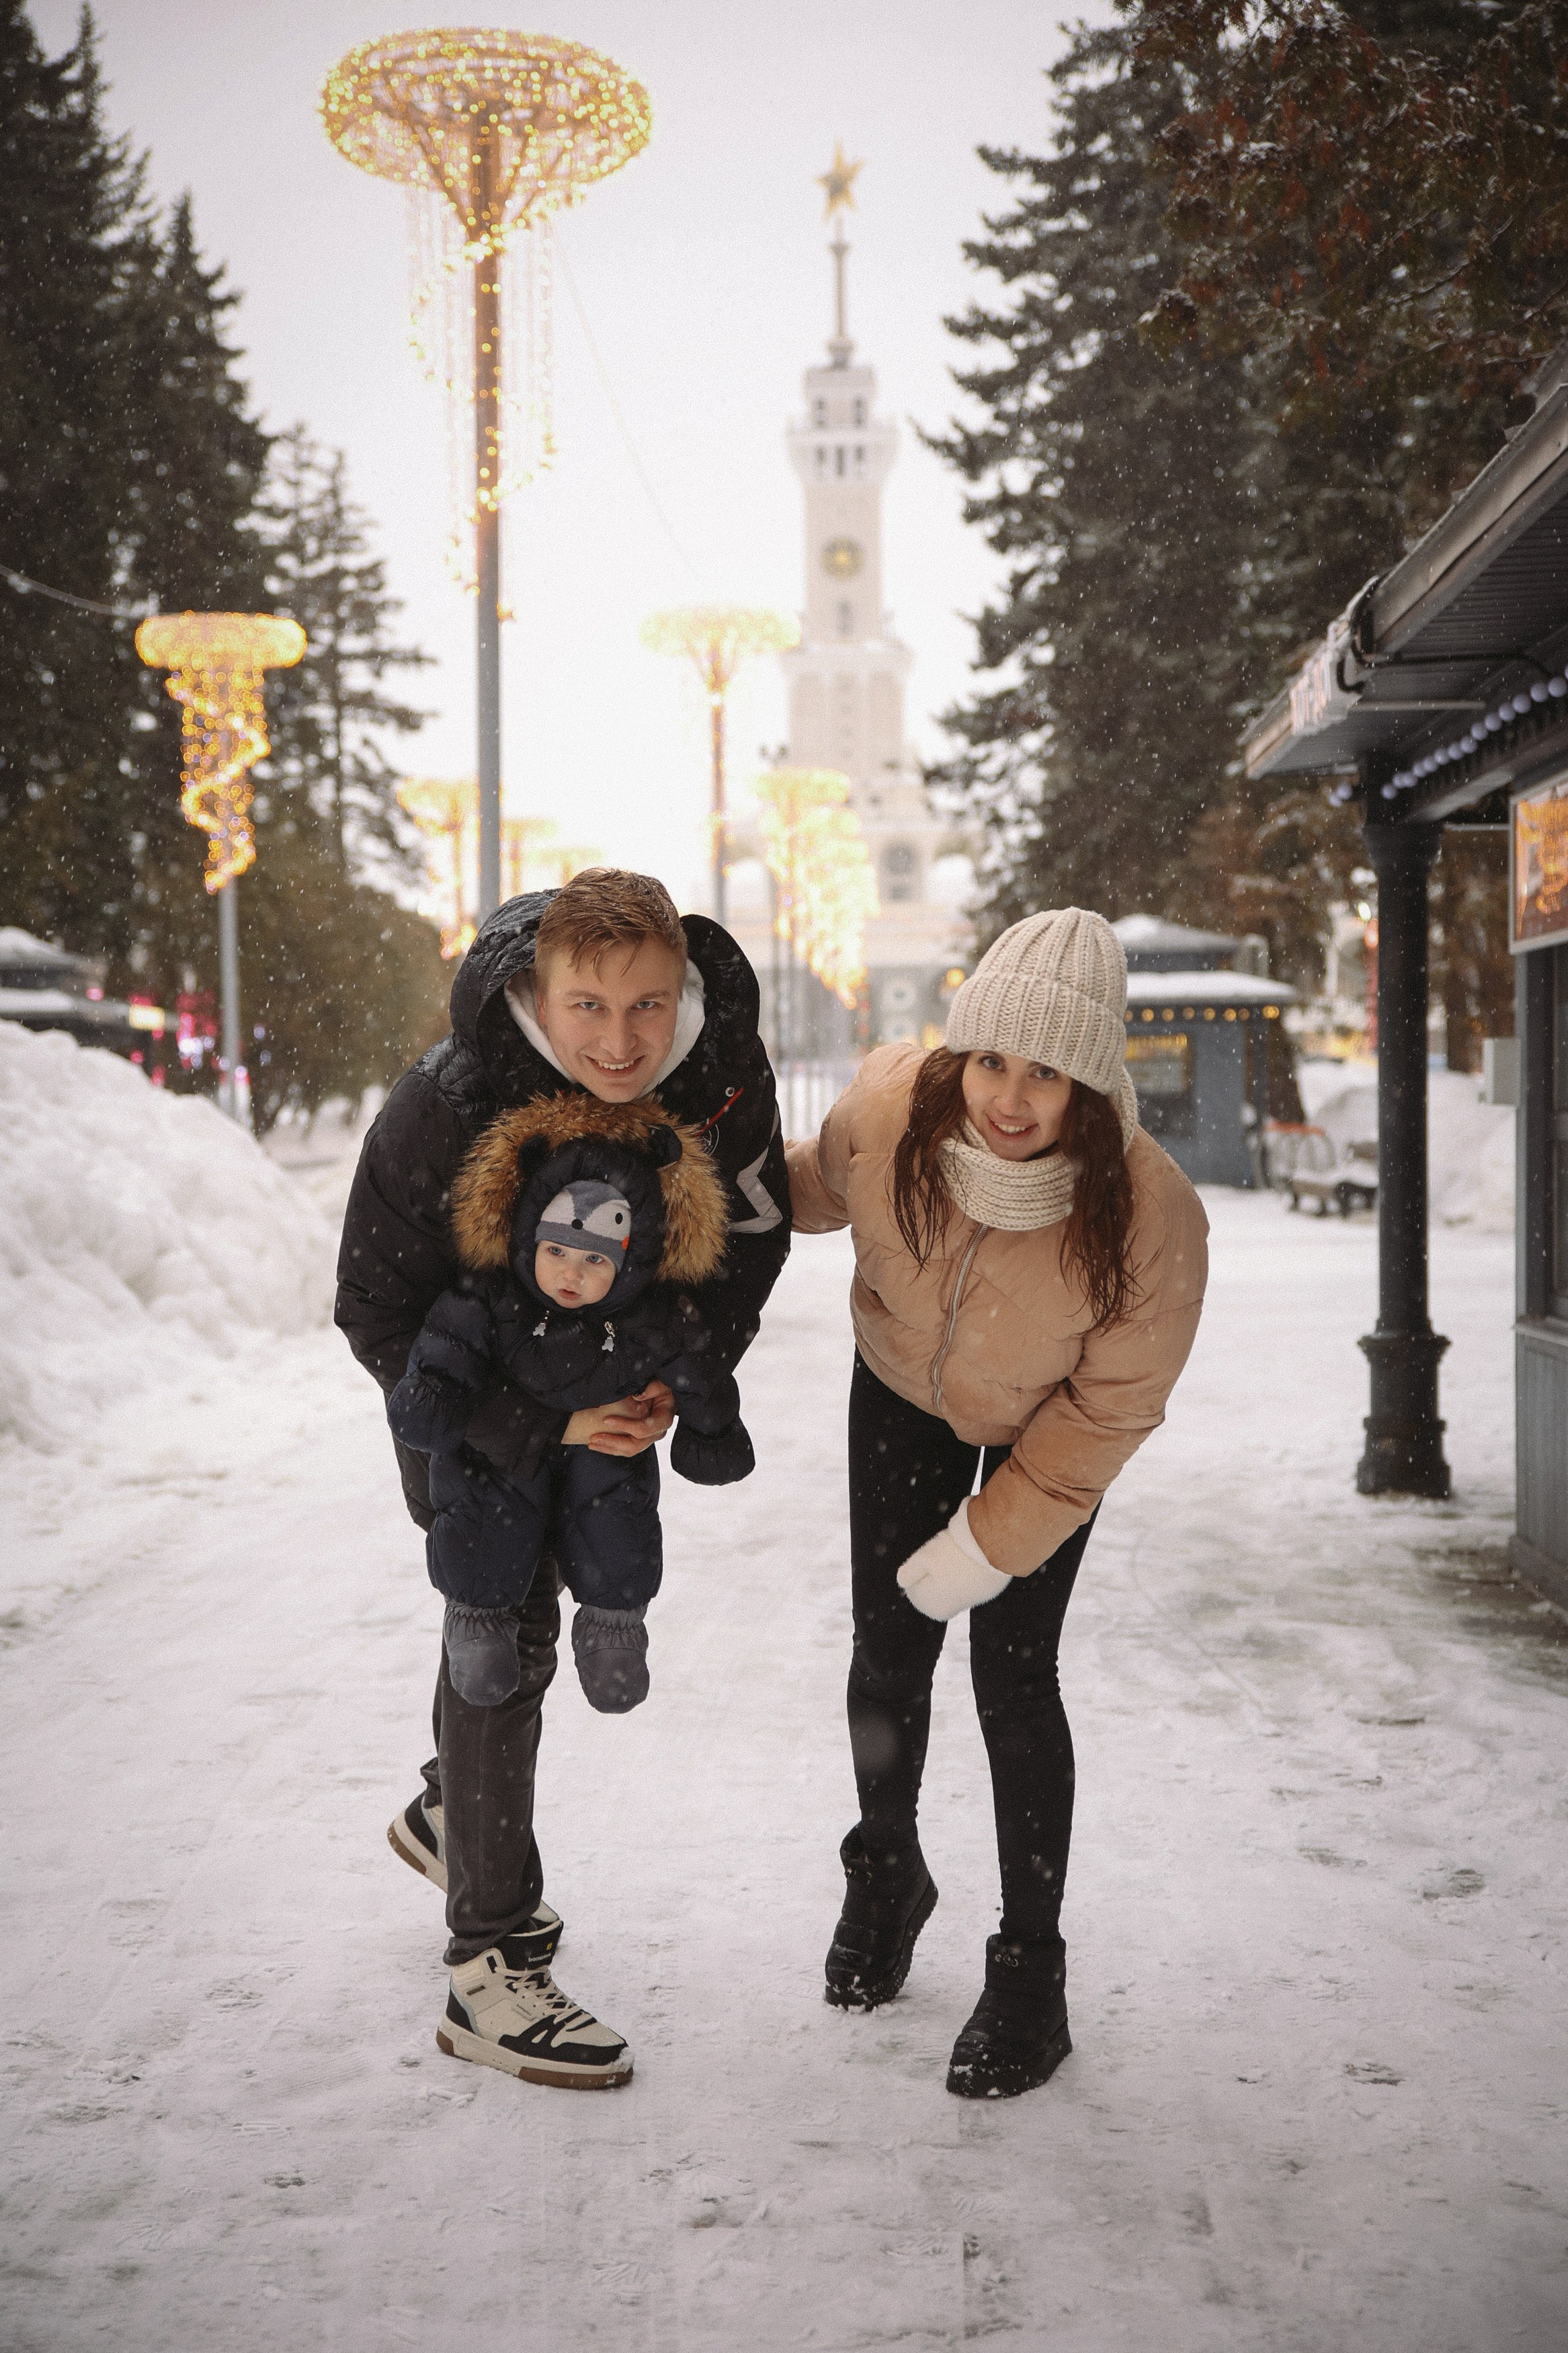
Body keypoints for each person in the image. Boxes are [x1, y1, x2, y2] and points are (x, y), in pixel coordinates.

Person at [337, 869, 789, 2089]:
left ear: (680, 989)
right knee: (504, 1626)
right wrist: (535, 1420)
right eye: (587, 1005)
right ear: (542, 992)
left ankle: (456, 1817)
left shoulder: (718, 1083)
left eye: (647, 1005)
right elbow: (371, 1304)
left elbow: (746, 1247)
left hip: (609, 1391)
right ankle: (487, 1965)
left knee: (507, 1641)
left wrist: (657, 1387)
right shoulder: (454, 1097)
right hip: (457, 1394)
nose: (620, 1039)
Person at [787, 908, 1208, 2099]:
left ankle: (1030, 1972)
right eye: (990, 1062)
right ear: (956, 1054)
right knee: (887, 1648)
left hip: (1043, 1429)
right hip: (902, 1391)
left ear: (1089, 1083)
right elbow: (802, 1190)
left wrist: (989, 1540)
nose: (1009, 1099)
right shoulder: (886, 1114)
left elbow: (1110, 1412)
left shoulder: (1147, 1216)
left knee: (1011, 1673)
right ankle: (886, 1869)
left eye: (1046, 1073)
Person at [386, 1094, 753, 1717]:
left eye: (594, 1260)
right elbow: (443, 1354)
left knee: (615, 1505)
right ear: (529, 1234)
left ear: (631, 1259)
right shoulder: (489, 1297)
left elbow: (699, 1370)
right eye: (555, 1251)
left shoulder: (650, 1314)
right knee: (481, 1501)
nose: (571, 1275)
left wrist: (711, 1429)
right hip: (502, 1456)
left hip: (604, 1452)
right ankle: (477, 1618)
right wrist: (434, 1395)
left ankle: (613, 1626)